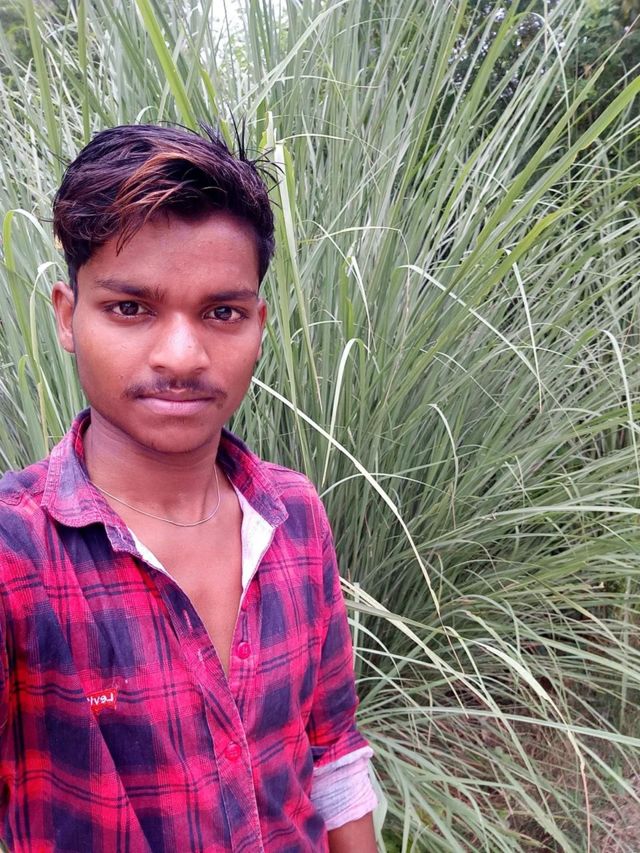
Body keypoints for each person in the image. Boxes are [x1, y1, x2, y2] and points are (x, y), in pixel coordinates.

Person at [0, 124, 378, 851]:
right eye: (131, 308)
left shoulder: (293, 514)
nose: (181, 356)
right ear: (68, 317)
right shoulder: (20, 554)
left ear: (258, 325)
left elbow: (332, 749)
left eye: (221, 312)